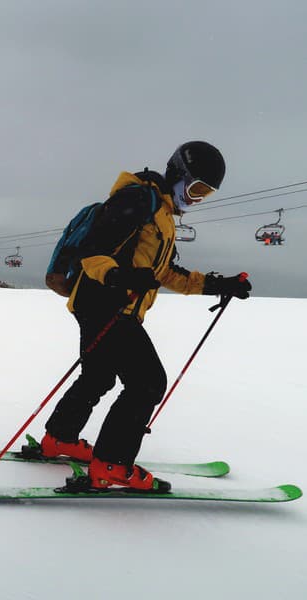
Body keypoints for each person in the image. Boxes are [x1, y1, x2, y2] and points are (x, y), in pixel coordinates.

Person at [36, 141, 251, 491]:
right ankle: (111, 465)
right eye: (196, 188)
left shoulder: (163, 215)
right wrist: (118, 276)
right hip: (108, 305)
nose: (197, 199)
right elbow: (95, 251)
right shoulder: (139, 200)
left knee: (98, 377)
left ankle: (59, 440)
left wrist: (217, 285)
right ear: (179, 174)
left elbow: (163, 272)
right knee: (148, 383)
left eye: (206, 194)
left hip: (107, 306)